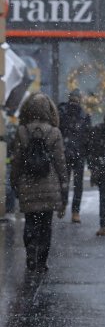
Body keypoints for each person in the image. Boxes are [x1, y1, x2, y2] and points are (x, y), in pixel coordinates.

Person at [10, 92, 68, 273]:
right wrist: (64, 185)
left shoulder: (22, 131)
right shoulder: (55, 132)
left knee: (30, 223)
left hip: (28, 184)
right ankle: (42, 262)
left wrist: (15, 182)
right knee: (45, 225)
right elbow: (60, 162)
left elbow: (17, 161)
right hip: (49, 185)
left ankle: (31, 258)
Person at [57, 89, 91, 222]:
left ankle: (71, 209)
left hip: (77, 153)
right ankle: (67, 207)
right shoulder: (63, 113)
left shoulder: (83, 115)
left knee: (73, 184)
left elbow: (88, 135)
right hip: (68, 152)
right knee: (68, 183)